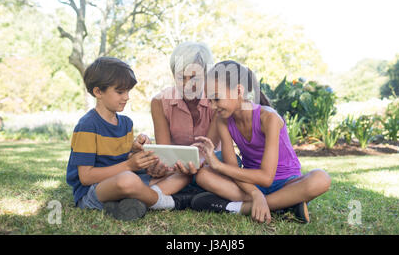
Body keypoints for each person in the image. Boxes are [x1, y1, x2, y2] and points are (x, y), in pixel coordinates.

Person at [190, 60, 331, 224]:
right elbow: (233, 170)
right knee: (203, 175)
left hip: (286, 183)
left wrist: (218, 165)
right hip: (250, 185)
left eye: (216, 99)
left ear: (238, 91)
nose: (213, 106)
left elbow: (266, 178)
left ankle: (240, 208)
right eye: (210, 100)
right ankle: (285, 205)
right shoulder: (223, 120)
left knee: (321, 178)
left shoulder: (269, 118)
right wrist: (255, 193)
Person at [66, 57, 194, 222]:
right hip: (92, 190)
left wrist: (137, 151)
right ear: (98, 92)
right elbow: (86, 177)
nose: (126, 97)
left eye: (128, 91)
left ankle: (131, 201)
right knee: (127, 179)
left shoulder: (126, 123)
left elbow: (119, 156)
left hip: (125, 179)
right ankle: (167, 202)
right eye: (120, 92)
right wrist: (129, 165)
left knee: (182, 174)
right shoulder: (87, 126)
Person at [148, 42, 223, 189]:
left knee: (203, 175)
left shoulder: (217, 101)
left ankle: (165, 195)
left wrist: (192, 167)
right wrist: (162, 166)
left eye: (195, 78)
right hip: (175, 167)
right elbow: (165, 150)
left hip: (209, 164)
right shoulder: (159, 102)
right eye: (182, 77)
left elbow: (208, 151)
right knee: (155, 179)